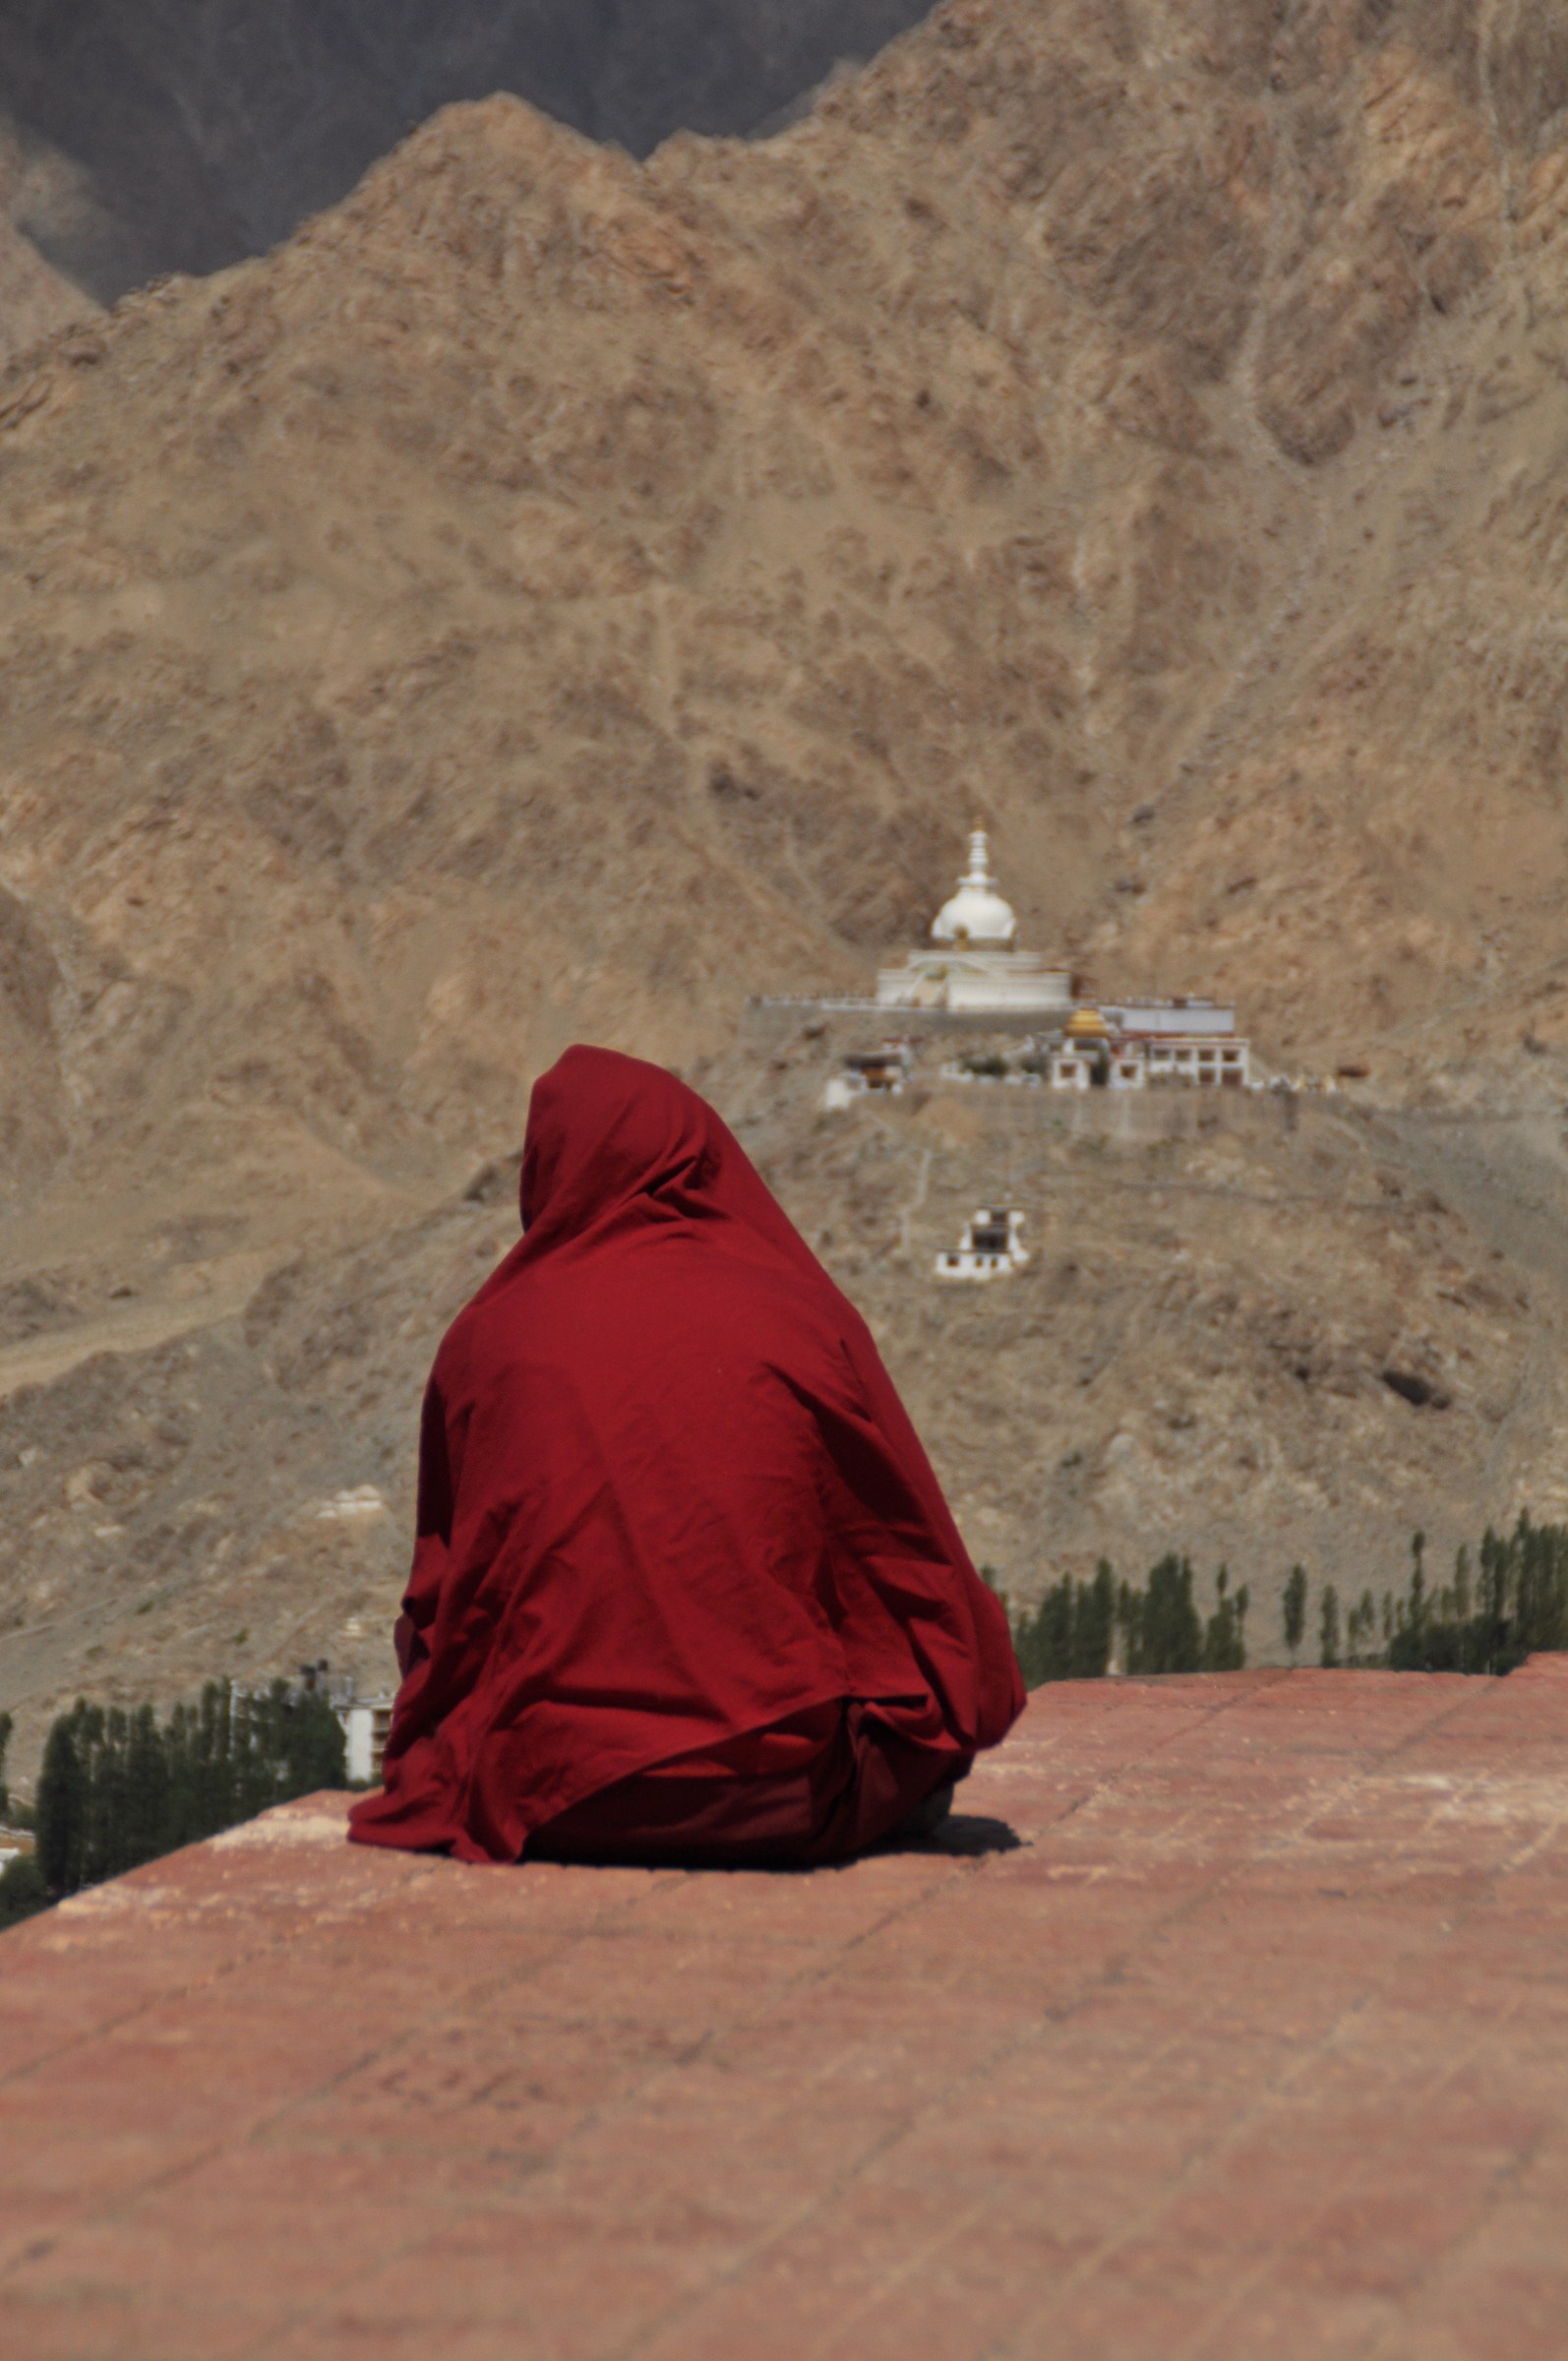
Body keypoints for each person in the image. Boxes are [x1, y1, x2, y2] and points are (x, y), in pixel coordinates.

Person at [348, 1046, 1023, 1868]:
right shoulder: (798, 1316)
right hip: (781, 1798)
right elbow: (914, 1565)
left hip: (541, 1798)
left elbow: (441, 1596)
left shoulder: (489, 1338)